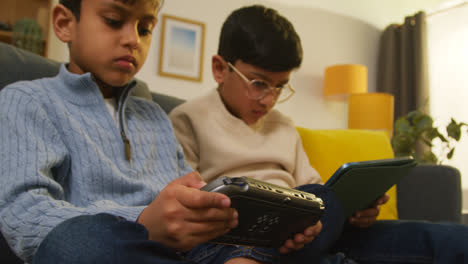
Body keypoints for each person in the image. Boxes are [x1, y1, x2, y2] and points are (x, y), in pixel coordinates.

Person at [0, 1, 316, 264]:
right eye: (113, 21)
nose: (133, 40)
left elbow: (192, 188)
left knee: (323, 205)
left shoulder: (153, 115)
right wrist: (142, 222)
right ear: (64, 23)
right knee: (72, 242)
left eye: (145, 28)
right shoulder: (27, 100)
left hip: (193, 251)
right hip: (119, 247)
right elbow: (25, 215)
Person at [170, 4, 468, 264]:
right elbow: (187, 208)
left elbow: (315, 197)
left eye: (280, 86)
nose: (269, 99)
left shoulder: (283, 126)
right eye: (259, 83)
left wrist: (353, 210)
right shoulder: (188, 119)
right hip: (243, 240)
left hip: (311, 234)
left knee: (445, 238)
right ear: (220, 69)